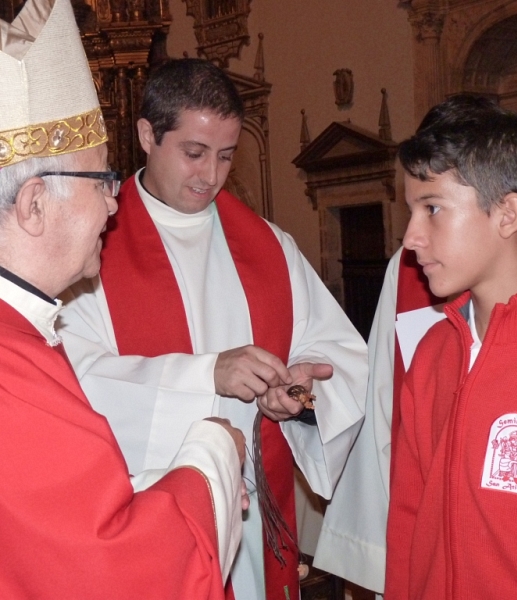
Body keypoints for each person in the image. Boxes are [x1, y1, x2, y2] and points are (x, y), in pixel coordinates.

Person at [59, 58, 368, 600]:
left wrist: (301, 394)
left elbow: (343, 355)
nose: (211, 176)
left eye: (226, 156)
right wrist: (209, 375)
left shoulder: (270, 246)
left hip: (255, 522)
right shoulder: (89, 248)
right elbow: (75, 383)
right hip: (157, 514)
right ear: (148, 135)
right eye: (194, 153)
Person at [0, 0, 248, 597]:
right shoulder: (12, 370)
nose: (114, 203)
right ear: (35, 205)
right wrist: (216, 448)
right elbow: (121, 569)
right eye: (103, 179)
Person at [313, 95, 517, 596]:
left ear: (507, 213)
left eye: (432, 209)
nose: (410, 238)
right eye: (411, 211)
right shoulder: (433, 357)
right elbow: (407, 526)